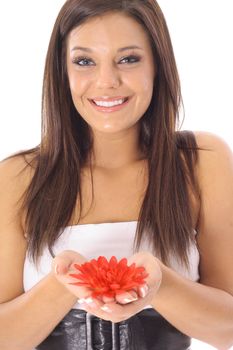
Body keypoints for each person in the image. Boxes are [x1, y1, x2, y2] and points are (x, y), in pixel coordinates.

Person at [0, 0, 232, 349]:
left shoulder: (201, 161)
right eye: (84, 61)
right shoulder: (18, 177)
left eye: (128, 59)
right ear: (62, 72)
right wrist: (63, 285)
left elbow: (228, 329)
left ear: (157, 65)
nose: (106, 82)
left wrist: (160, 284)